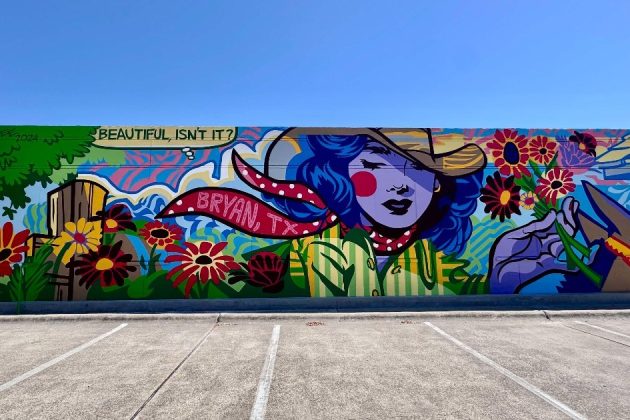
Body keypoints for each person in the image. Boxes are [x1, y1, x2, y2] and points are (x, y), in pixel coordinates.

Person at [158, 127, 580, 296]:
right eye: (376, 167)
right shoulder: (291, 260)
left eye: (417, 169)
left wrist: (504, 280)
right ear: (337, 177)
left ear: (438, 184)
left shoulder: (434, 261)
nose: (400, 185)